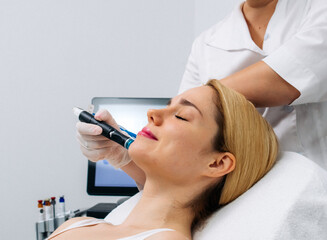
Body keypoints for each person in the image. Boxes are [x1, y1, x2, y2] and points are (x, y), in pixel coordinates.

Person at [77, 0, 327, 209]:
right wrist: (124, 155)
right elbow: (182, 162)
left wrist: (193, 106)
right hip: (251, 208)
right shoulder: (207, 45)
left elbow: (299, 74)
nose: (154, 114)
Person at [52, 80, 278, 239]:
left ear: (217, 163)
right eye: (168, 106)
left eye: (181, 116)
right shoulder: (77, 225)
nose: (152, 112)